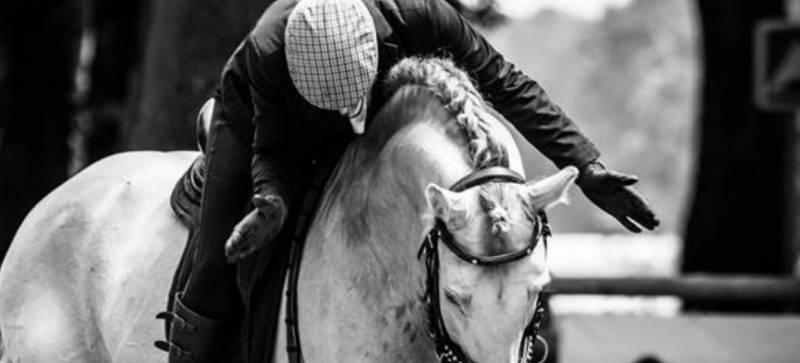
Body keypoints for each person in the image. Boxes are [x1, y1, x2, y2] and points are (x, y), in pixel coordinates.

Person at [157, 0, 660, 361]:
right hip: (262, 115)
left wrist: (586, 165)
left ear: (375, 48)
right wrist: (270, 200)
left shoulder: (424, 15)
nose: (349, 120)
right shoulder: (267, 54)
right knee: (214, 264)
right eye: (340, 108)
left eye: (352, 104)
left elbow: (508, 84)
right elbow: (272, 148)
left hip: (379, 99)